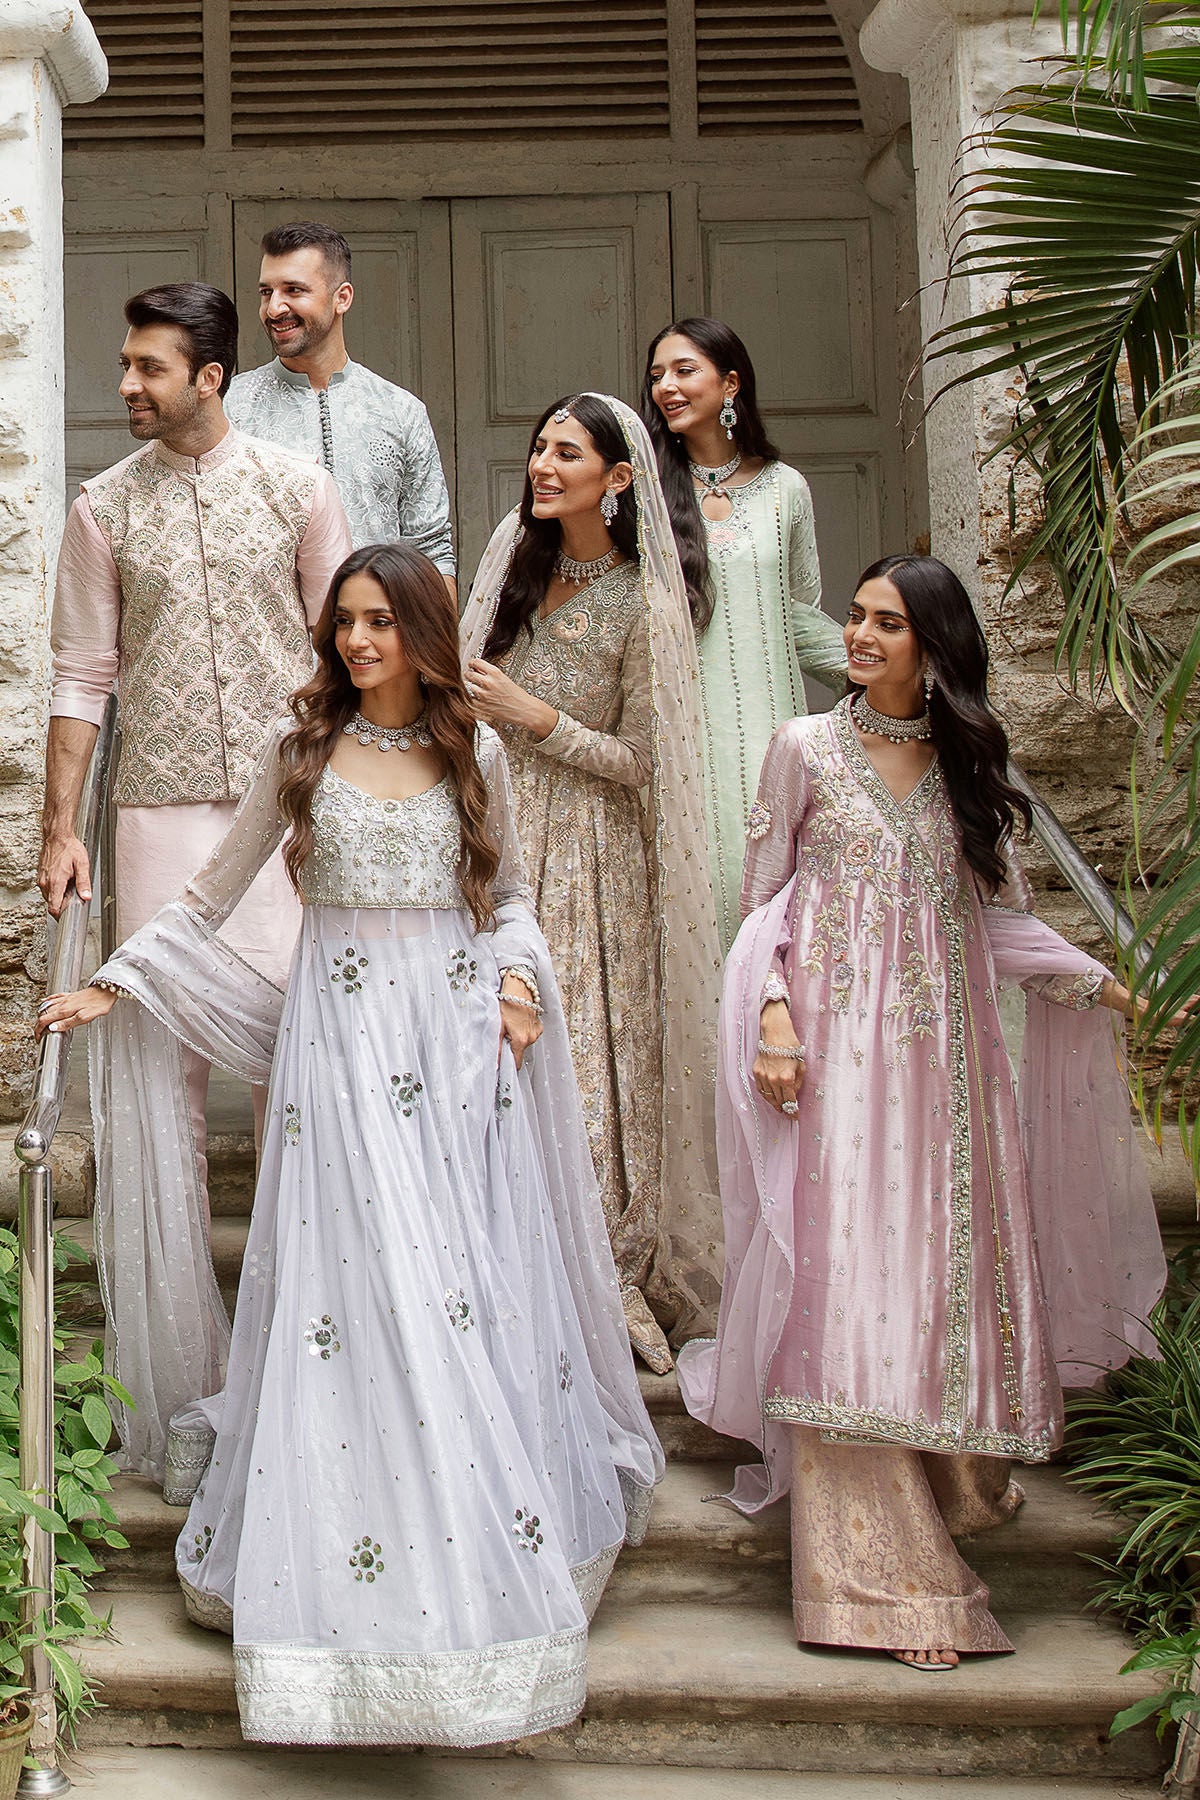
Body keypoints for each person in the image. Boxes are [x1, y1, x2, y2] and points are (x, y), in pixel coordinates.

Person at [37, 543, 662, 1746]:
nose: (359, 641)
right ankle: (343, 1560)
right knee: (356, 1287)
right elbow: (209, 898)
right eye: (346, 623)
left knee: (450, 1287)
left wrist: (517, 986)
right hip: (337, 1057)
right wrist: (117, 982)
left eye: (381, 621)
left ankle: (471, 1548)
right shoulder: (303, 751)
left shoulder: (475, 752)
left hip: (455, 1051)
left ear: (423, 632)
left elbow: (511, 900)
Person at [677, 554, 1170, 1669]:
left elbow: (998, 926)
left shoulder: (968, 769)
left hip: (945, 1078)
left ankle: (951, 1480)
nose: (858, 636)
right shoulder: (804, 749)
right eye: (855, 616)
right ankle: (880, 1584)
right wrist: (772, 1023)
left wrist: (1119, 989)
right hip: (832, 1073)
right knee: (846, 1294)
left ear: (934, 648)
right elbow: (761, 907)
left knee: (934, 1285)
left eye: (886, 623)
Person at [41, 280, 351, 1298]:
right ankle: (178, 1332)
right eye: (126, 364)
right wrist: (59, 828)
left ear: (209, 377)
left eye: (149, 368)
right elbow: (82, 674)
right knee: (164, 1058)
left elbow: (349, 656)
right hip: (158, 810)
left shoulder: (299, 490)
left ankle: (300, 1316)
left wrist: (353, 798)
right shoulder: (103, 507)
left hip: (288, 812)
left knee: (290, 1050)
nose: (127, 383)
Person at [460, 394, 723, 1376]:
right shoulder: (514, 577)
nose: (542, 465)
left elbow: (643, 761)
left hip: (588, 853)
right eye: (538, 448)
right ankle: (490, 1255)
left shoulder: (642, 602)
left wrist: (538, 720)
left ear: (617, 480)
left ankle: (592, 1261)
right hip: (495, 837)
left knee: (573, 1056)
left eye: (566, 453)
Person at [642, 318, 847, 952]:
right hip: (674, 727)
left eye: (684, 370)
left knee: (767, 898)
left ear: (730, 384)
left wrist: (894, 675)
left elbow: (797, 614)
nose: (666, 387)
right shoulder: (642, 491)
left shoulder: (785, 490)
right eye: (657, 375)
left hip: (768, 724)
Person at [226, 220, 456, 592]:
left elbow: (431, 550)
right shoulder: (230, 407)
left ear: (342, 298)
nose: (274, 308)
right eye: (266, 292)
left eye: (294, 290)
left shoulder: (400, 411)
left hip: (377, 626)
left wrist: (439, 632)